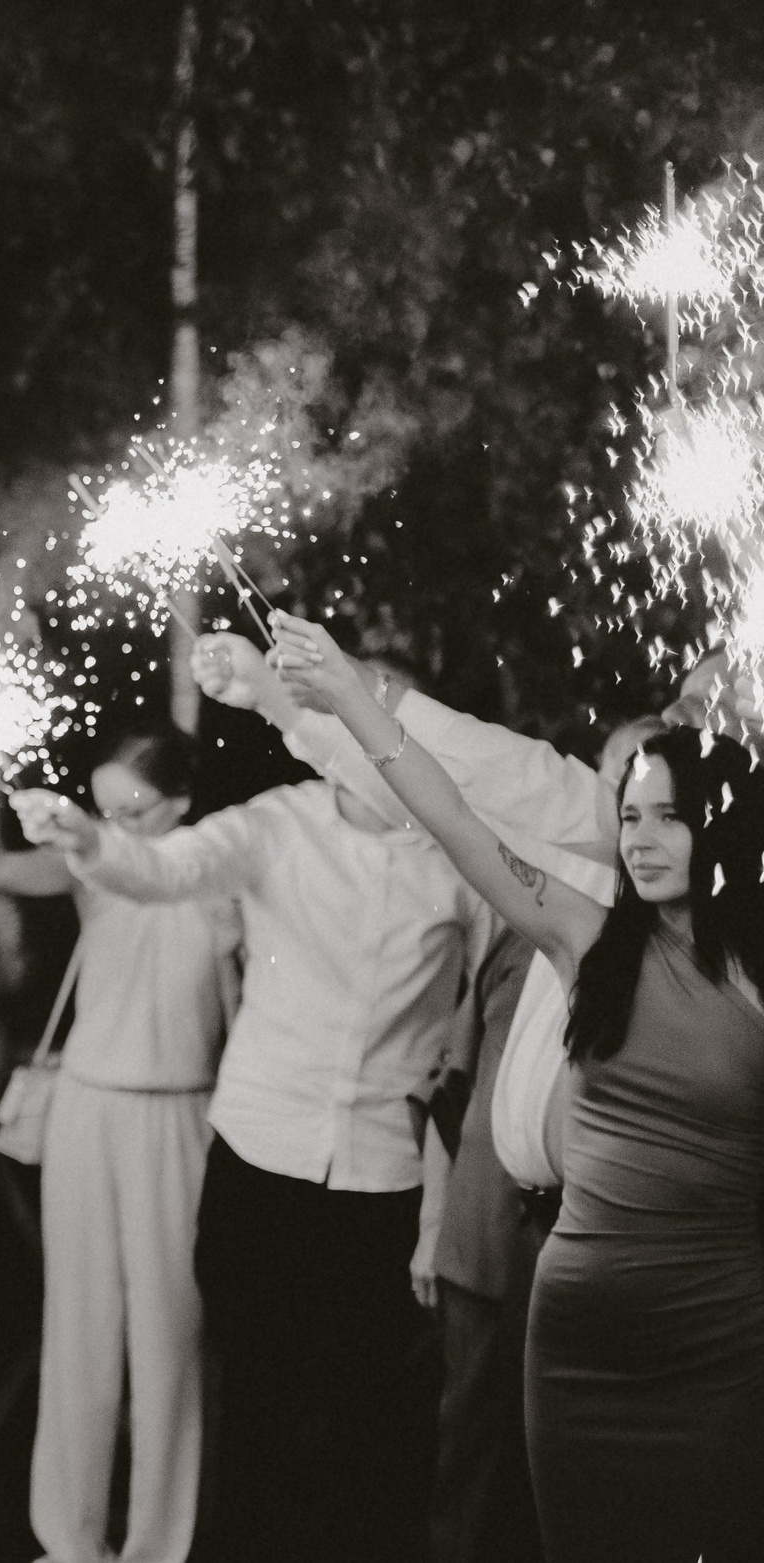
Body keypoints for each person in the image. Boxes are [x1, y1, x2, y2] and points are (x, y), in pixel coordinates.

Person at [266, 615, 764, 1563]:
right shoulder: (588, 935)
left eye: (669, 816)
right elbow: (453, 813)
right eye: (629, 817)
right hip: (579, 1325)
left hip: (718, 1329)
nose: (640, 838)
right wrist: (350, 695)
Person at [16, 647, 488, 1563]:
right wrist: (89, 841)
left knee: (364, 1420)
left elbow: (474, 1023)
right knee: (257, 1405)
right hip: (258, 1159)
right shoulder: (278, 823)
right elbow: (165, 869)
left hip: (382, 1174)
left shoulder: (458, 855)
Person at [0, 726, 236, 1563]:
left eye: (135, 810)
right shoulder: (91, 861)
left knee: (170, 1334)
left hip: (180, 1110)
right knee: (78, 1323)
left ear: (181, 804)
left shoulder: (225, 872)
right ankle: (68, 1539)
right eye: (104, 810)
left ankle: (159, 1546)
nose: (114, 827)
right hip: (87, 1107)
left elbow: (245, 1006)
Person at [423, 713, 654, 1563]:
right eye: (620, 782)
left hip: (602, 1240)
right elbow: (458, 1081)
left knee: (565, 1466)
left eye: (658, 799)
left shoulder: (666, 937)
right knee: (477, 1445)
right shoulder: (548, 912)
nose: (630, 807)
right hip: (497, 1225)